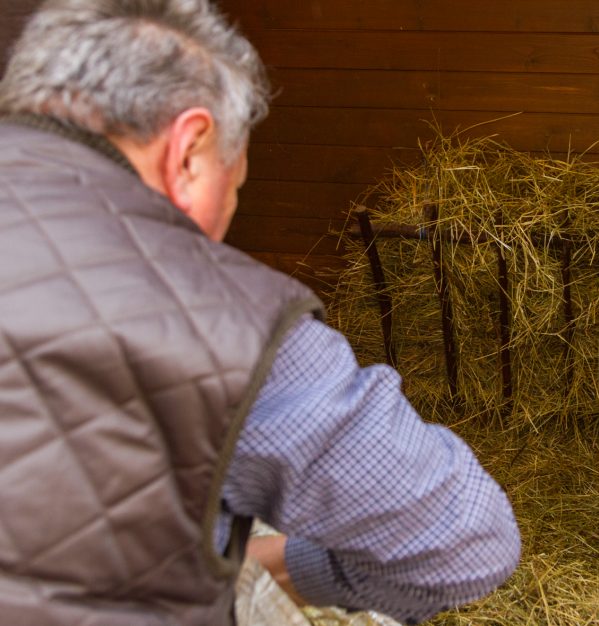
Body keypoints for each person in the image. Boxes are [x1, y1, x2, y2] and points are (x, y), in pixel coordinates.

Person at [0, 1, 521, 625]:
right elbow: (467, 542)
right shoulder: (226, 323)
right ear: (189, 153)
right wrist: (276, 565)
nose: (226, 221)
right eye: (235, 184)